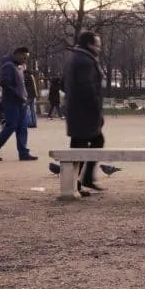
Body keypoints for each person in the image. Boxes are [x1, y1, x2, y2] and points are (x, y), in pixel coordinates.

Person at [62, 31, 106, 195]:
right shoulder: (84, 61)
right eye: (97, 45)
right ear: (89, 44)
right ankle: (79, 182)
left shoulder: (77, 58)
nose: (99, 48)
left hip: (78, 111)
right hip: (84, 112)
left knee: (90, 142)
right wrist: (97, 112)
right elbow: (88, 89)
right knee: (80, 147)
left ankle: (83, 179)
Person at [0, 47, 38, 161]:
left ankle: (23, 152)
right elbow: (5, 83)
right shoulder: (8, 66)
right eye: (24, 57)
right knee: (11, 126)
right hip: (12, 102)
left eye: (27, 58)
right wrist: (18, 95)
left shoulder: (17, 66)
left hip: (21, 102)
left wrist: (23, 96)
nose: (25, 60)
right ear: (17, 54)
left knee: (22, 127)